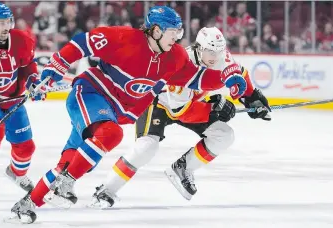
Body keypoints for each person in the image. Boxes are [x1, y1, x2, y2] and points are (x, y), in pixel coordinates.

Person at [8, 6, 248, 224]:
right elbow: (83, 42)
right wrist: (56, 66)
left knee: (73, 162)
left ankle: (27, 204)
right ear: (155, 31)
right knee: (111, 134)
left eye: (179, 31)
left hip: (114, 111)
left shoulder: (175, 57)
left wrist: (229, 79)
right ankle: (66, 184)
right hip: (91, 94)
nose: (177, 37)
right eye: (172, 32)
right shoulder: (124, 37)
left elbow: (198, 79)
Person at [90, 27, 271, 208]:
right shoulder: (182, 63)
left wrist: (252, 97)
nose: (215, 56)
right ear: (199, 48)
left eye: (219, 51)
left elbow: (239, 73)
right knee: (146, 147)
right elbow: (180, 112)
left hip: (189, 104)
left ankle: (183, 168)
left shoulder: (222, 58)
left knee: (224, 135)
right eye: (210, 51)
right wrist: (213, 110)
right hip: (158, 103)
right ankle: (106, 190)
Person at [0, 3, 46, 194]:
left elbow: (28, 66)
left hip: (13, 99)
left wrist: (33, 82)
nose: (6, 26)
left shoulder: (21, 40)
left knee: (26, 147)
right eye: (1, 22)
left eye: (8, 21)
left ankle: (17, 173)